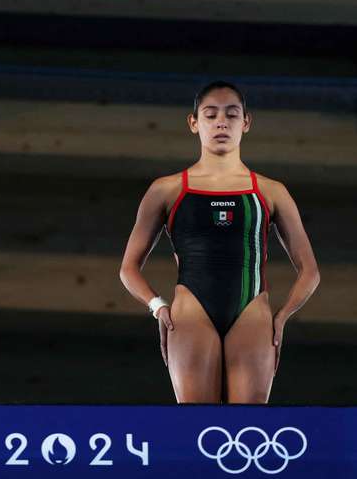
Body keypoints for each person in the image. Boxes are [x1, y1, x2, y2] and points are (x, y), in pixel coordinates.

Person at [119, 81, 320, 403]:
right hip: (189, 312)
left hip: (252, 311)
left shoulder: (270, 191)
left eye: (232, 114)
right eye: (211, 115)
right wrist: (157, 306)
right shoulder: (166, 189)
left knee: (248, 429)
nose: (222, 122)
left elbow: (310, 270)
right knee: (199, 426)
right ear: (194, 123)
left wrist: (282, 317)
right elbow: (128, 268)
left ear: (246, 122)